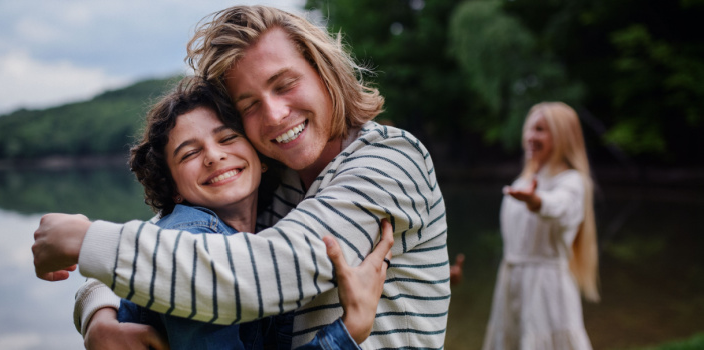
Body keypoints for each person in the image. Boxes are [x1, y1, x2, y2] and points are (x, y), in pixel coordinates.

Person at [32, 5, 450, 349]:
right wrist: (97, 312)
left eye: (284, 84)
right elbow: (172, 241)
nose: (274, 114)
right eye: (249, 104)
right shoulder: (276, 179)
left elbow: (261, 275)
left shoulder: (390, 160)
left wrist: (84, 239)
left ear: (326, 73)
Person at [105, 76, 391, 349]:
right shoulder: (190, 242)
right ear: (173, 187)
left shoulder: (265, 228)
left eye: (227, 138)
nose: (214, 156)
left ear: (259, 155)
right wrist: (349, 331)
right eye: (189, 153)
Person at [482, 102, 599, 350]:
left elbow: (561, 206)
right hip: (510, 283)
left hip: (546, 291)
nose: (530, 137)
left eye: (540, 129)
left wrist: (536, 202)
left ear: (562, 137)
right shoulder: (523, 180)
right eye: (529, 129)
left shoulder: (573, 182)